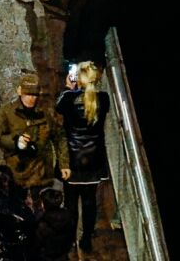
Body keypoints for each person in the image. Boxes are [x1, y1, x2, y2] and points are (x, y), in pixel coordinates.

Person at [0, 70, 70, 196]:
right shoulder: (7, 112)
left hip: (42, 174)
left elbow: (60, 137)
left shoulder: (47, 112)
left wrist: (64, 164)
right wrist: (16, 141)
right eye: (28, 94)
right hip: (17, 173)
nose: (31, 98)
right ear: (19, 91)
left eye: (35, 95)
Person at [57, 60, 108, 253]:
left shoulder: (68, 98)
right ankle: (86, 238)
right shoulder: (103, 99)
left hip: (73, 160)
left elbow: (58, 108)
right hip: (94, 161)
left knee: (70, 203)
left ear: (78, 78)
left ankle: (70, 240)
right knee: (89, 202)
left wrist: (69, 88)